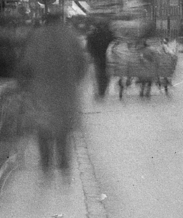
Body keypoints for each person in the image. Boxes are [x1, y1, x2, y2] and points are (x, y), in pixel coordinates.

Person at [20, 12, 87, 172]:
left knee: (43, 124)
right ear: (61, 19)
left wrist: (26, 83)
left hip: (41, 88)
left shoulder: (37, 36)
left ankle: (46, 161)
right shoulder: (71, 36)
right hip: (65, 89)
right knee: (63, 125)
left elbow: (27, 63)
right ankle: (63, 160)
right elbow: (82, 62)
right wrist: (75, 80)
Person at [85, 18, 114, 98]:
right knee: (105, 74)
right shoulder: (109, 33)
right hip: (106, 56)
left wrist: (91, 54)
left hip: (97, 56)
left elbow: (89, 46)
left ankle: (99, 89)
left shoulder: (92, 34)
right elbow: (113, 44)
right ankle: (102, 90)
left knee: (98, 73)